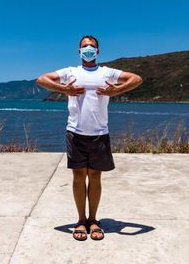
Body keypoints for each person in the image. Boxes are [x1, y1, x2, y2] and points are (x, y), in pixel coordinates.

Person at [36, 35, 143, 241]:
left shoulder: (107, 73)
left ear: (98, 51)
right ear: (78, 51)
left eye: (91, 47)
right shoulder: (70, 72)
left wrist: (116, 91)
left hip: (99, 134)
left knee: (95, 178)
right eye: (84, 46)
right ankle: (80, 220)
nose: (88, 49)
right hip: (75, 132)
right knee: (78, 178)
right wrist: (64, 89)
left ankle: (93, 220)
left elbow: (136, 79)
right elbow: (42, 79)